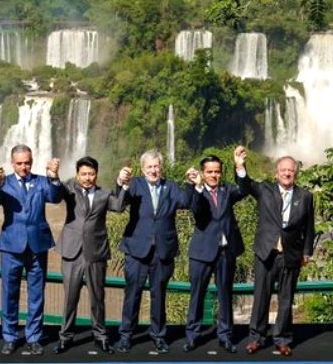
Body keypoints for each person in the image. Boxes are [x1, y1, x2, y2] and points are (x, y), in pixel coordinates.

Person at [235, 146, 315, 357]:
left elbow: (309, 227)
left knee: (286, 299)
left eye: (291, 170)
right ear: (276, 173)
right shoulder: (265, 190)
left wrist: (307, 252)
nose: (287, 173)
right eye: (283, 170)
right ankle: (256, 338)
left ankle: (282, 339)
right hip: (266, 252)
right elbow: (245, 185)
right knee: (261, 297)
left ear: (295, 173)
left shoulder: (305, 196)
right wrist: (240, 166)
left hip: (291, 254)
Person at [116, 149, 197, 354]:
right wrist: (121, 183)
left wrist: (190, 184)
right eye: (149, 167)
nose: (153, 170)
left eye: (156, 166)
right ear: (143, 169)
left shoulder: (171, 186)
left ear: (161, 167)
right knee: (132, 294)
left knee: (159, 295)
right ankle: (126, 336)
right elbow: (120, 202)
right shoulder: (135, 184)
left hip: (163, 250)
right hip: (137, 249)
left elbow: (185, 202)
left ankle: (159, 336)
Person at [0, 144, 62, 356]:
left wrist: (54, 177)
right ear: (12, 163)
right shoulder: (4, 182)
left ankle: (34, 337)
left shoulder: (43, 181)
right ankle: (10, 337)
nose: (23, 167)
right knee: (9, 294)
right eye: (19, 163)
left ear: (32, 162)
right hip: (11, 246)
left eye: (27, 163)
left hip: (38, 245)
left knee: (36, 295)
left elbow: (56, 197)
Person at [53, 157, 131, 355]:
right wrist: (53, 176)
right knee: (70, 298)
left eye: (91, 174)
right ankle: (65, 337)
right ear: (77, 175)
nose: (87, 178)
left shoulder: (104, 194)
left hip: (95, 252)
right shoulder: (69, 189)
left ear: (96, 174)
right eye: (83, 174)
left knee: (98, 298)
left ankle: (101, 337)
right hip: (72, 251)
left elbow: (119, 206)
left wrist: (122, 184)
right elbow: (55, 193)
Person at [182, 155, 248, 353]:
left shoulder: (227, 190)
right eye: (209, 172)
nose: (213, 175)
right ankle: (192, 336)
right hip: (201, 252)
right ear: (203, 173)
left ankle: (225, 335)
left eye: (217, 172)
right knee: (197, 295)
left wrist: (240, 166)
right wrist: (197, 187)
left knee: (225, 294)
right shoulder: (195, 191)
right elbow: (196, 209)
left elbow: (244, 190)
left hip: (225, 252)